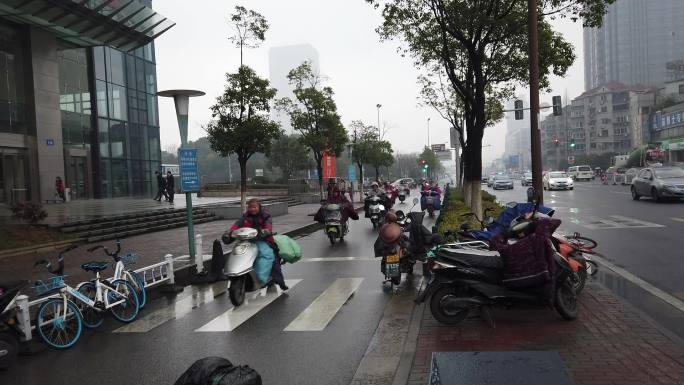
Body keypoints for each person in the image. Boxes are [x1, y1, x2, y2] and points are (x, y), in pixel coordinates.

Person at [227, 199, 288, 291]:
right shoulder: (245, 217)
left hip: (264, 240)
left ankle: (281, 282)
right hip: (248, 241)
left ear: (259, 207)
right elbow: (236, 225)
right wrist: (229, 232)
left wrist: (265, 231)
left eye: (255, 207)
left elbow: (268, 226)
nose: (252, 209)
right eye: (250, 207)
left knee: (273, 259)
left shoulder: (265, 216)